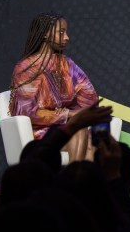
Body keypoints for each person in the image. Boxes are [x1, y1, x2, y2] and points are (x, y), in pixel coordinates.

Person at [9, 11, 100, 161]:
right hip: (39, 133)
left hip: (66, 129)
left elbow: (90, 99)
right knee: (79, 132)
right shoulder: (26, 68)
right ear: (45, 34)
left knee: (91, 141)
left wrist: (79, 114)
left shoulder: (67, 64)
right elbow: (27, 112)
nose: (67, 37)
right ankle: (75, 174)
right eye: (61, 32)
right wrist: (67, 114)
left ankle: (79, 175)